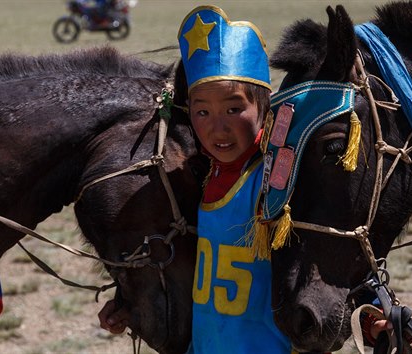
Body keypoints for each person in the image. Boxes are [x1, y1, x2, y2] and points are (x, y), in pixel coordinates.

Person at [98, 5, 390, 352]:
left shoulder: (282, 176)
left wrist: (373, 314)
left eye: (234, 109)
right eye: (202, 110)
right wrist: (130, 304)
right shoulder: (202, 175)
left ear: (265, 108)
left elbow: (334, 247)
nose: (217, 127)